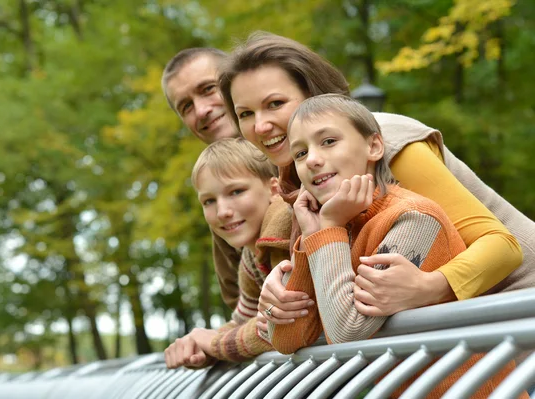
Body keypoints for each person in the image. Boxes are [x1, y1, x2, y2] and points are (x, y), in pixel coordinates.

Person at [217, 31, 532, 326]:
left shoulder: (386, 139)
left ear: (313, 94)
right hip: (472, 336)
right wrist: (277, 302)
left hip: (519, 309)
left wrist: (430, 287)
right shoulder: (300, 179)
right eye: (245, 114)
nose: (260, 126)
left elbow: (502, 245)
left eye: (275, 104)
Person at [264, 93, 526, 399]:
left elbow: (347, 333)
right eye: (299, 153)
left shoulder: (414, 218)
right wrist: (313, 237)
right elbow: (286, 339)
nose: (312, 159)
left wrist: (328, 229)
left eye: (329, 141)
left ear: (374, 146)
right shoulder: (331, 230)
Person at [164, 138, 292, 368]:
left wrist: (215, 344)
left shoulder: (284, 229)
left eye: (236, 191)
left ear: (274, 189)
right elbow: (244, 320)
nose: (222, 211)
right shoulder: (251, 257)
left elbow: (285, 323)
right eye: (209, 201)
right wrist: (197, 344)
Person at [162, 48, 243, 310]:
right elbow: (240, 300)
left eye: (208, 89)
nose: (201, 110)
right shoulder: (218, 196)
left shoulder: (310, 150)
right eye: (186, 106)